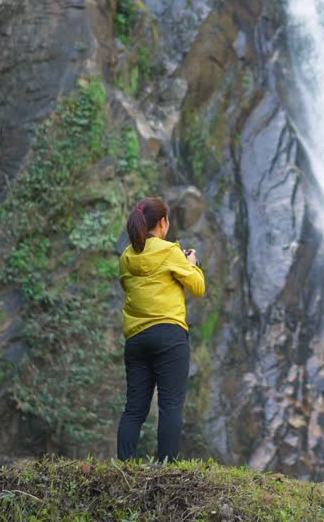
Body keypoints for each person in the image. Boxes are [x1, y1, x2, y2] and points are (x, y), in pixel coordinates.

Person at [115, 196, 206, 462]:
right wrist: (190, 265)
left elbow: (128, 287)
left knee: (134, 409)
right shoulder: (170, 252)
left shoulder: (126, 257)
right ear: (163, 222)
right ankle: (166, 468)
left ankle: (125, 466)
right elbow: (198, 288)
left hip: (136, 338)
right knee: (170, 406)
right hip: (169, 334)